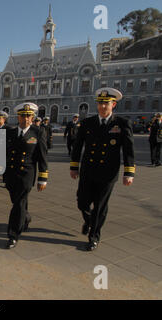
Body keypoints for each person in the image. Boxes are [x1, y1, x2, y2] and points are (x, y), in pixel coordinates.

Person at [70, 87, 135, 251]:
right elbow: (77, 146)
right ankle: (90, 221)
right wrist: (74, 166)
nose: (103, 107)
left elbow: (128, 149)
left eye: (106, 104)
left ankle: (94, 236)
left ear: (113, 105)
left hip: (108, 172)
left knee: (100, 206)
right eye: (100, 103)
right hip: (88, 169)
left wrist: (129, 172)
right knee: (82, 202)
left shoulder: (121, 124)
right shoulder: (87, 123)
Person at [0, 102, 48, 249]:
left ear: (33, 117)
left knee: (18, 204)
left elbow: (42, 156)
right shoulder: (9, 133)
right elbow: (1, 154)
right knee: (17, 201)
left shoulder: (38, 133)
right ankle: (26, 217)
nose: (26, 119)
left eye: (29, 116)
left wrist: (43, 178)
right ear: (18, 116)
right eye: (23, 116)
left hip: (27, 174)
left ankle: (13, 234)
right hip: (11, 174)